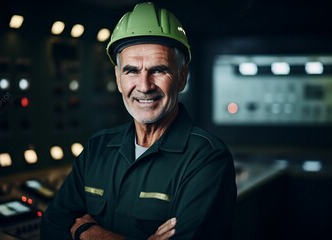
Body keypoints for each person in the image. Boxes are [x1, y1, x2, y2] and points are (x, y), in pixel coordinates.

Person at [40, 2, 236, 239]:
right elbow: (51, 228)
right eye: (132, 71)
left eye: (159, 70)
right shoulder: (97, 148)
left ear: (182, 77)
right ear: (118, 78)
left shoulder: (206, 157)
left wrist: (89, 233)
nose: (144, 86)